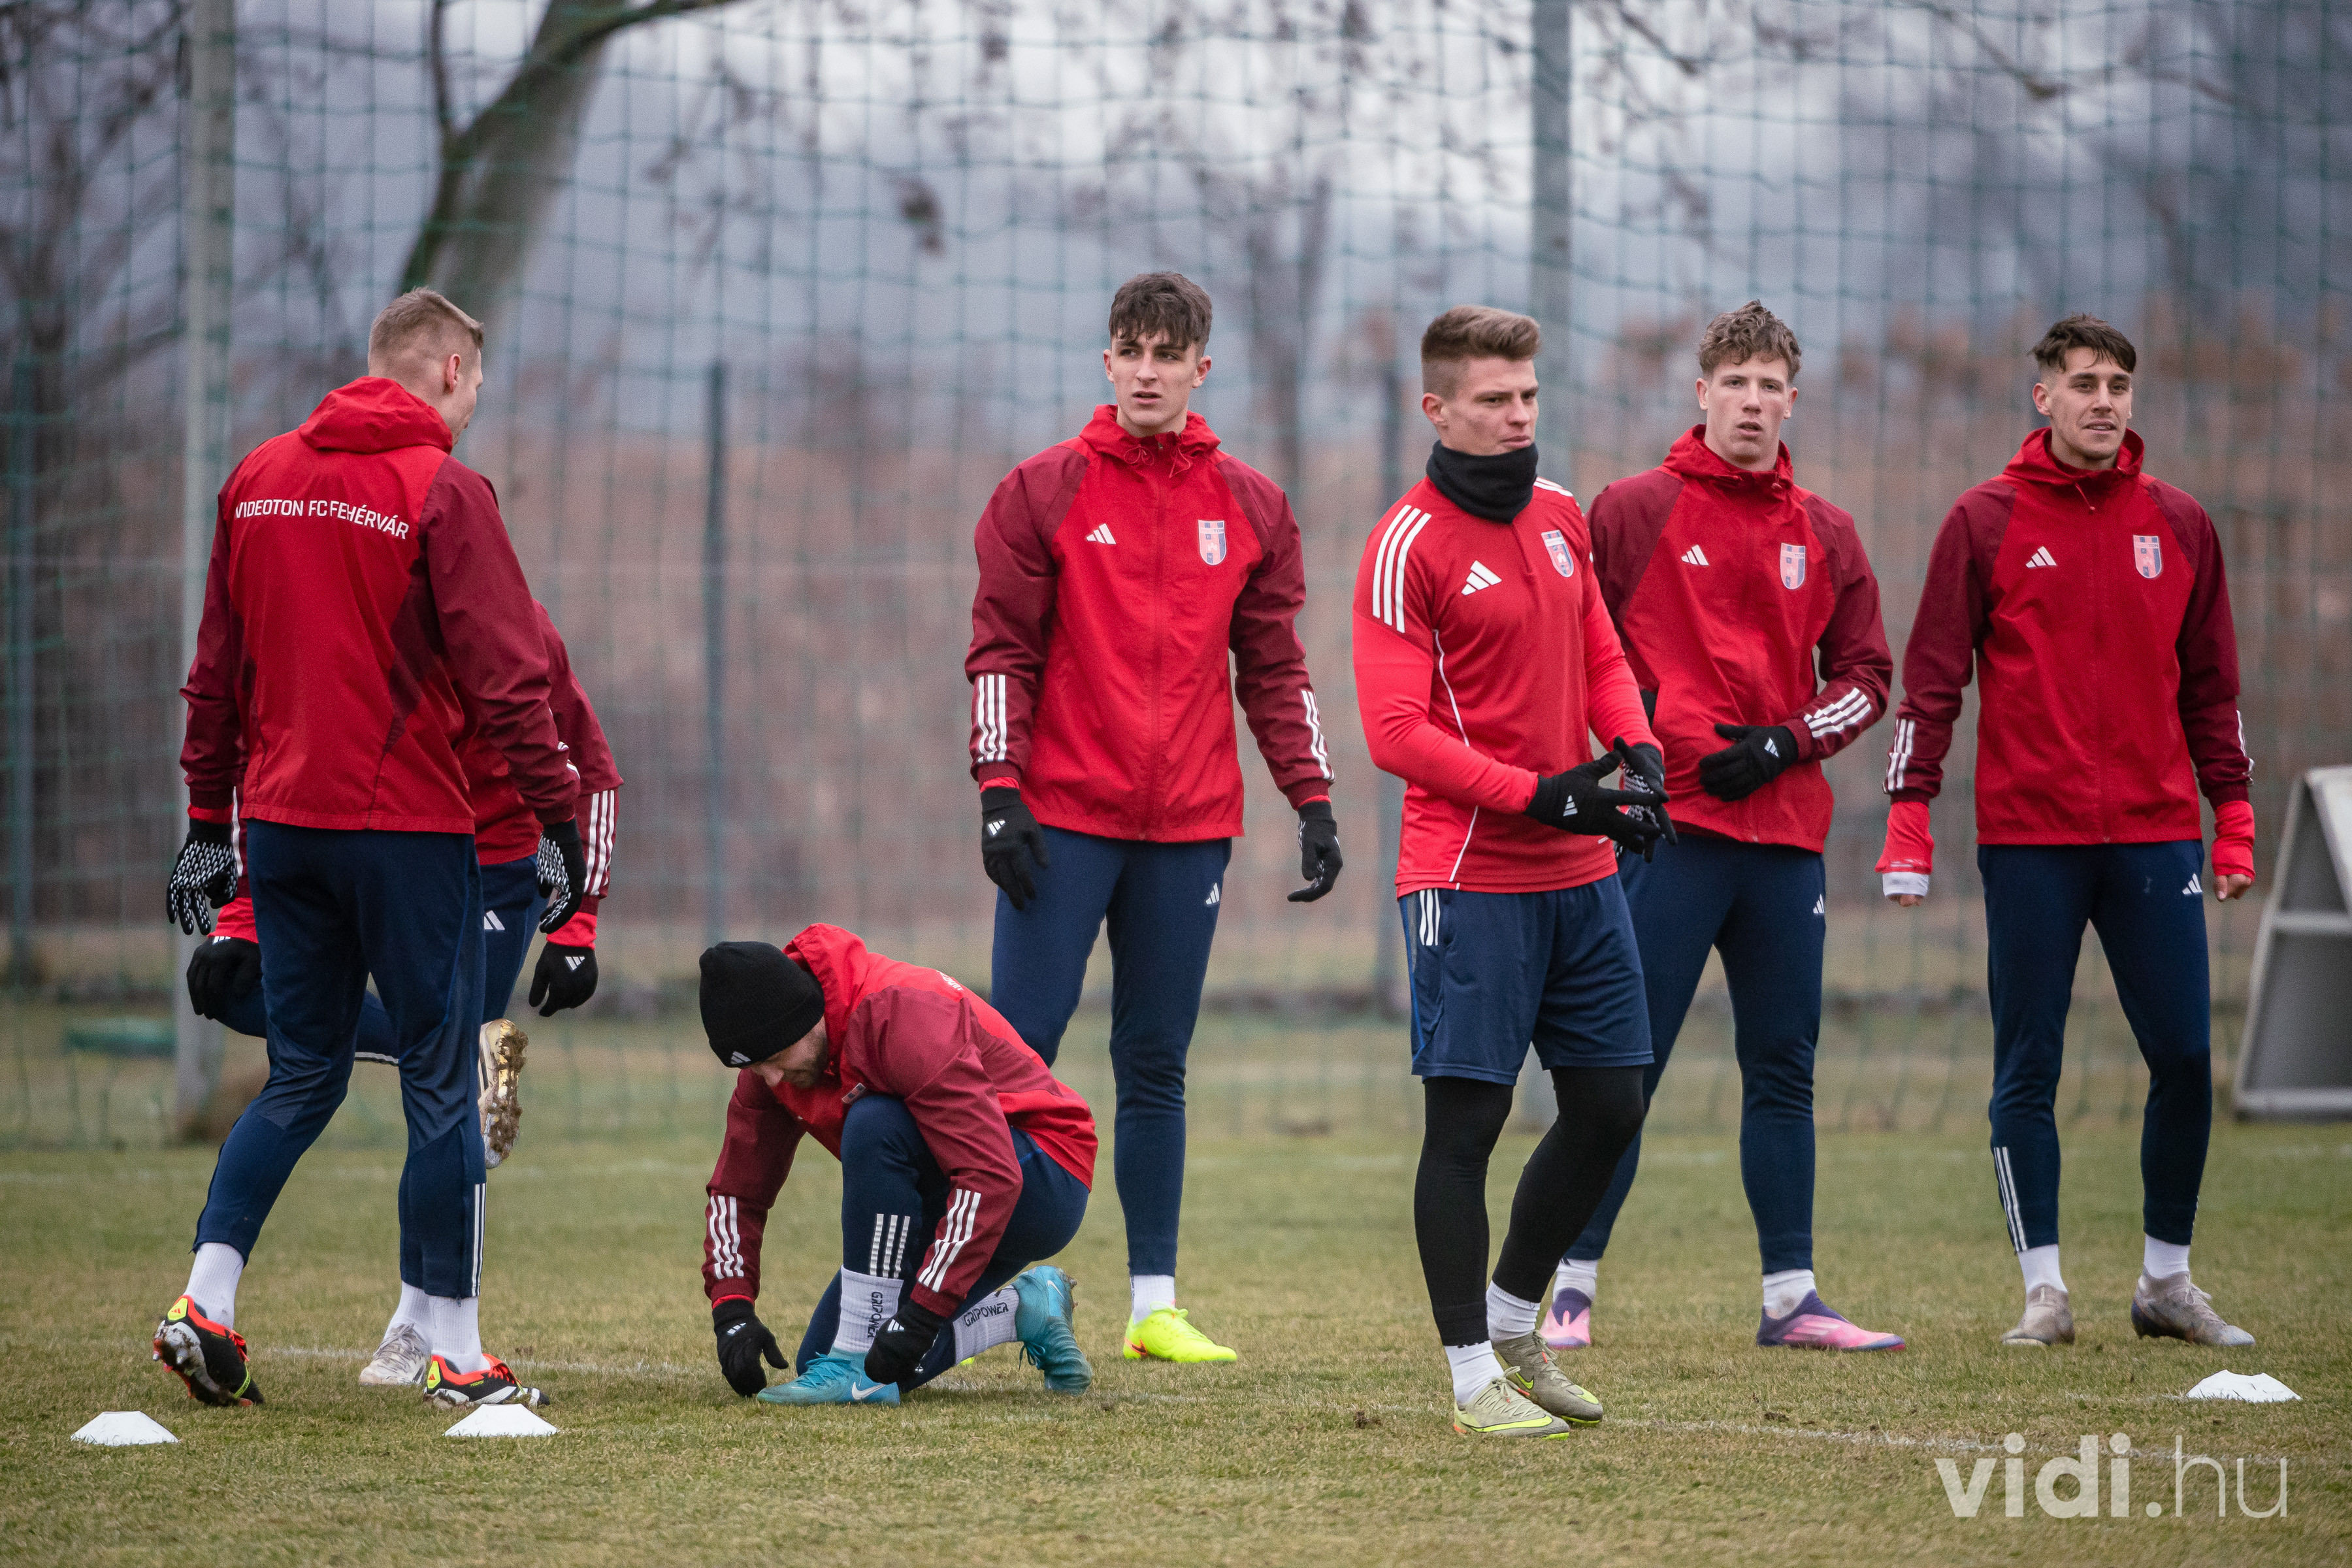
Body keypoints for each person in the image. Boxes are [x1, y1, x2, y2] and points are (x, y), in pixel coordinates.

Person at [162, 288, 583, 1412]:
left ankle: (205, 1300)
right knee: (444, 1080)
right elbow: (512, 684)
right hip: (405, 831)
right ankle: (461, 1355)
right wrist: (557, 824)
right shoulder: (444, 490)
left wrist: (207, 827)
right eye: (477, 378)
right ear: (448, 370)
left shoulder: (255, 478)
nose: (476, 398)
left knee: (302, 1075)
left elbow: (214, 678)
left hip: (280, 829)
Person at [964, 271, 1341, 1364]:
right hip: (1061, 823)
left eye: (1167, 355)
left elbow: (1275, 669)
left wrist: (1312, 799)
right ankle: (978, 1283)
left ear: (1199, 370)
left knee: (1156, 1061)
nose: (1146, 371)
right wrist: (1000, 793)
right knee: (1017, 1054)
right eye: (1130, 351)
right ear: (1107, 361)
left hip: (1189, 832)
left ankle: (1153, 1307)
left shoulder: (1253, 507)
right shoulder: (1042, 491)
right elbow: (999, 652)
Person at [1879, 312, 2259, 1349]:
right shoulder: (1984, 520)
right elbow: (1931, 683)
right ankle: (2043, 1292)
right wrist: (1910, 813)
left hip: (2154, 835)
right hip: (2029, 839)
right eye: (2083, 384)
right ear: (2042, 397)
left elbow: (2214, 688)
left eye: (2118, 385)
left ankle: (2167, 1282)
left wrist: (2232, 815)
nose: (2103, 402)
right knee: (2028, 1065)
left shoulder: (2180, 524)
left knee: (2185, 1055)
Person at [1542, 302, 1904, 1355]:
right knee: (1624, 1069)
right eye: (1734, 383)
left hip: (1785, 845)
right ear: (1702, 394)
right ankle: (1569, 1290)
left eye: (1769, 386)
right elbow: (1582, 645)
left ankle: (1793, 1298)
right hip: (1671, 836)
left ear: (1793, 401)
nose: (1752, 402)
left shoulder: (1827, 532)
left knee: (1783, 1067)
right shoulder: (1634, 510)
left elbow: (1866, 676)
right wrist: (1651, 744)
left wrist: (1789, 742)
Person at [1351, 304, 1672, 1439]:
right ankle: (1469, 1379)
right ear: (1437, 409)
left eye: (1529, 396)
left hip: (1579, 873)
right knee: (1467, 1129)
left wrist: (1634, 745)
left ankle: (1512, 1327)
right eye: (1495, 400)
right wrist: (1542, 794)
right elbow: (1395, 733)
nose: (1518, 416)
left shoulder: (1561, 515)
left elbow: (1600, 652)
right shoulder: (1405, 544)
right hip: (1467, 876)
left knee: (1611, 1104)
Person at [185, 597, 621, 1388]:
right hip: (379, 838)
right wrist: (241, 912)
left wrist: (577, 927)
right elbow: (274, 742)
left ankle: (420, 1324)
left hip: (491, 857)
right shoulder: (356, 613)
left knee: (440, 1098)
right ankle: (463, 1054)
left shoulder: (517, 629)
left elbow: (591, 768)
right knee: (253, 1004)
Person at [696, 928, 1095, 1405]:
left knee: (875, 1123)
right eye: (755, 1067)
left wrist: (924, 1313)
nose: (773, 1077)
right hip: (953, 1181)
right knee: (822, 1359)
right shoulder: (776, 1060)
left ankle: (855, 1353)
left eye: (775, 1058)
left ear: (805, 1017)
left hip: (1045, 1168)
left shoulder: (902, 1016)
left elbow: (991, 1174)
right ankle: (1023, 1309)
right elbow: (737, 1190)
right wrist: (733, 1309)